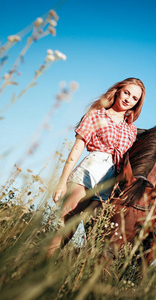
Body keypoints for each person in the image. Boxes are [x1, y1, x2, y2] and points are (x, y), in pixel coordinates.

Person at [47, 78, 146, 256]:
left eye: (134, 98)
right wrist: (62, 182)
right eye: (126, 93)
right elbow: (77, 149)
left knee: (97, 238)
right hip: (90, 170)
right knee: (65, 225)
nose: (128, 99)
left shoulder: (131, 129)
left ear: (137, 103)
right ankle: (40, 266)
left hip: (112, 180)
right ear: (118, 91)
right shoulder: (96, 115)